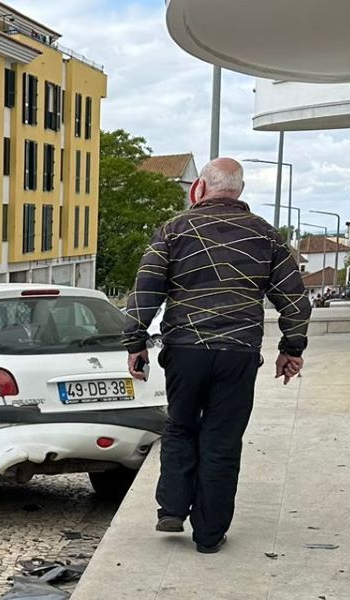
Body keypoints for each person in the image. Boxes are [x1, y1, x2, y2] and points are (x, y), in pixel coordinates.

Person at [122, 157, 311, 555]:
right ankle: (209, 535)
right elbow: (295, 300)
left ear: (202, 188)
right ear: (238, 191)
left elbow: (146, 289)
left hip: (185, 351)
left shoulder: (173, 230)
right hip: (237, 354)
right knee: (222, 440)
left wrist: (135, 342)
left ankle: (172, 507)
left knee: (181, 425)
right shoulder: (267, 235)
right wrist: (290, 349)